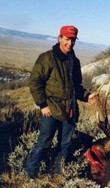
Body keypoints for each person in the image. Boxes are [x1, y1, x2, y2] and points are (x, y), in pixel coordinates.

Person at [25, 25, 97, 178]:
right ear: (59, 38)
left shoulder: (75, 61)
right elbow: (35, 83)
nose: (69, 43)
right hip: (51, 111)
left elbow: (76, 87)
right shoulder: (47, 58)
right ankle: (29, 175)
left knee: (64, 146)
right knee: (43, 144)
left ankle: (59, 174)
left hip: (69, 111)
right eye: (66, 39)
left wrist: (87, 96)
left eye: (72, 40)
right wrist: (43, 105)